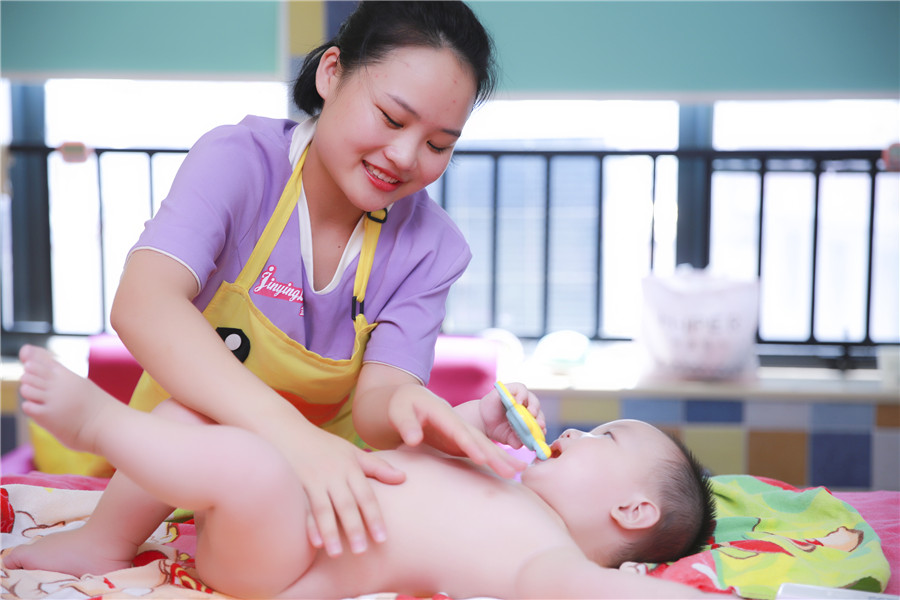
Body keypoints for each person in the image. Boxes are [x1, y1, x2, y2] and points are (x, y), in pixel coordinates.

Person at [9, 0, 539, 576]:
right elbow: (143, 305)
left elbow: (376, 409)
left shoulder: (433, 247)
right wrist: (294, 438)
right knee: (191, 417)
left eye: (438, 145)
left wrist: (411, 405)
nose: (405, 157)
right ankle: (104, 539)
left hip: (312, 496)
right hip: (171, 473)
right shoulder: (238, 162)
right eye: (391, 118)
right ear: (331, 73)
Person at [11, 345, 718, 599]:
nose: (573, 433)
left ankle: (97, 424)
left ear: (632, 511)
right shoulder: (508, 478)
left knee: (251, 467)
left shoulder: (544, 555)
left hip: (287, 558)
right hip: (294, 506)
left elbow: (595, 592)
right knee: (191, 413)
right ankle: (104, 538)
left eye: (603, 438)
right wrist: (480, 419)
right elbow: (428, 447)